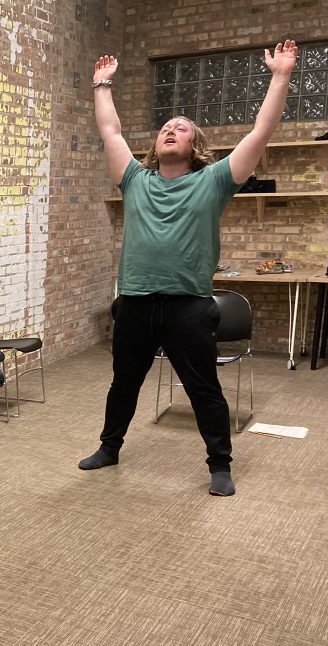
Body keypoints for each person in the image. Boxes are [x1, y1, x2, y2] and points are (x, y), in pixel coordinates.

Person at [79, 41, 298, 496]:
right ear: (157, 143)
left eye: (182, 128)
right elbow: (110, 132)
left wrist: (280, 76)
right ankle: (109, 447)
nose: (172, 130)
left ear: (195, 145)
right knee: (124, 384)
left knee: (204, 389)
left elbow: (261, 131)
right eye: (166, 127)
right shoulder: (134, 180)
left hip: (189, 307)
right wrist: (102, 84)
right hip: (136, 303)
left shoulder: (215, 181)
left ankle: (220, 464)